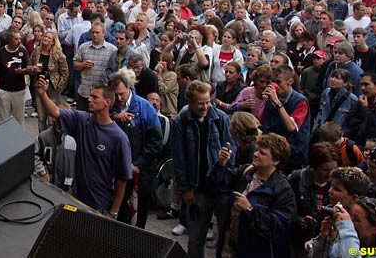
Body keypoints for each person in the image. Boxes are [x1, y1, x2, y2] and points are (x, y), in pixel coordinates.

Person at [35, 76, 132, 217]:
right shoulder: (82, 120)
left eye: (94, 97)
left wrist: (113, 212)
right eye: (90, 96)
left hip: (99, 206)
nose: (89, 99)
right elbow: (55, 112)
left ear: (107, 102)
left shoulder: (119, 138)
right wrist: (42, 94)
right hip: (76, 198)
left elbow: (122, 179)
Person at [171, 80, 233, 258]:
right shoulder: (181, 121)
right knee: (196, 239)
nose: (205, 106)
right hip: (197, 188)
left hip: (220, 188)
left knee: (224, 238)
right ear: (189, 101)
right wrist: (185, 189)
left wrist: (226, 159)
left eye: (208, 102)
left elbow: (231, 149)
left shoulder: (220, 118)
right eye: (200, 103)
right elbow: (179, 159)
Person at [209, 133, 296, 258]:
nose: (255, 154)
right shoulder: (246, 172)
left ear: (276, 161)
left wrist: (250, 209)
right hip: (229, 246)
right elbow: (215, 185)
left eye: (262, 153)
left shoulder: (283, 190)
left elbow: (276, 228)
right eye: (257, 150)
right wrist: (221, 165)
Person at [108, 70, 163, 229]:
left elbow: (155, 140)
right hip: (115, 173)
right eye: (115, 95)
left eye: (121, 94)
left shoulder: (144, 107)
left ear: (129, 87)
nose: (119, 98)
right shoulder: (111, 106)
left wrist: (138, 164)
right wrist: (114, 116)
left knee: (137, 220)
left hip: (139, 174)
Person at [288, 142, 341, 255]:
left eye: (333, 169)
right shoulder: (296, 179)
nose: (330, 174)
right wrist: (300, 220)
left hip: (326, 243)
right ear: (313, 167)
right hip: (298, 242)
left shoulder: (339, 183)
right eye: (325, 170)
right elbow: (285, 210)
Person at [28, 31, 69, 132]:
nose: (46, 39)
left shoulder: (58, 54)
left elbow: (65, 72)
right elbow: (29, 65)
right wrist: (33, 69)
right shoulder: (36, 51)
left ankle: (52, 140)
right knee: (41, 118)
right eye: (45, 37)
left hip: (53, 87)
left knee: (52, 118)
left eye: (49, 38)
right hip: (39, 86)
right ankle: (42, 140)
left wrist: (59, 87)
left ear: (53, 41)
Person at [73, 22, 117, 110]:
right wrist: (83, 65)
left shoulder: (112, 50)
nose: (95, 35)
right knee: (81, 121)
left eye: (97, 32)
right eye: (93, 33)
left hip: (101, 95)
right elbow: (75, 64)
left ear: (104, 33)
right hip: (84, 91)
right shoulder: (83, 47)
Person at [0, 30, 31, 124]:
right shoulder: (0, 53)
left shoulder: (23, 51)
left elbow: (28, 67)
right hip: (4, 90)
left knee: (19, 119)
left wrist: (24, 71)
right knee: (4, 120)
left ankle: (19, 138)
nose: (19, 41)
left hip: (19, 90)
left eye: (20, 39)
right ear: (9, 40)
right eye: (16, 39)